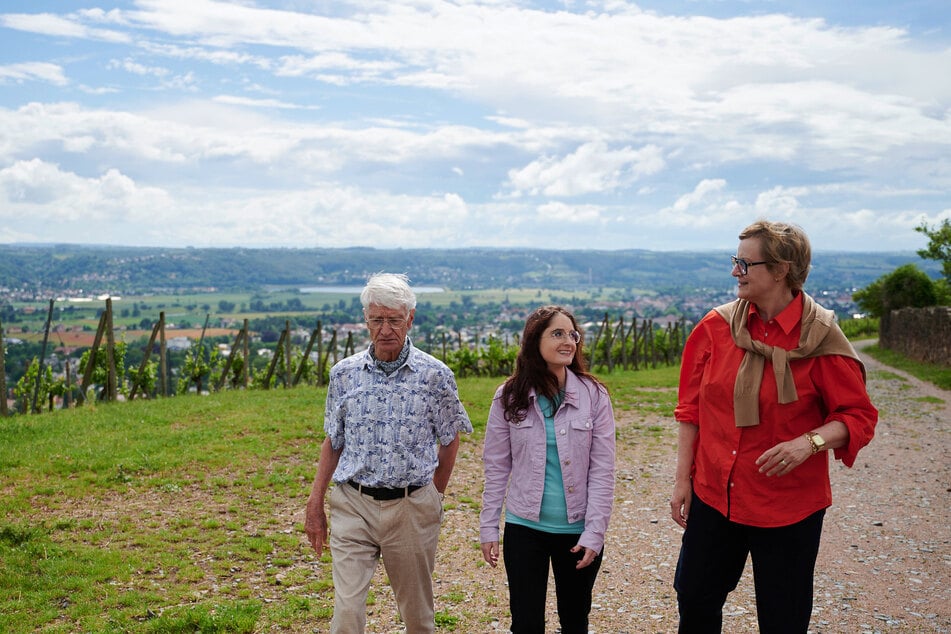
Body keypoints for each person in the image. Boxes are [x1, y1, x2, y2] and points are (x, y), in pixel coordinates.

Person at [669, 220, 878, 633]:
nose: (735, 272)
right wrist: (682, 481)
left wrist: (810, 442)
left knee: (783, 617)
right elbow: (690, 410)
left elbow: (858, 416)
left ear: (781, 269)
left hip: (788, 506)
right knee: (694, 599)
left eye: (745, 264)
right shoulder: (714, 327)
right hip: (715, 493)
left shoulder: (821, 338)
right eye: (735, 261)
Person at [304, 272, 473, 633]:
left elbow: (450, 438)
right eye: (377, 319)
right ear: (365, 319)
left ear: (409, 319)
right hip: (353, 504)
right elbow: (333, 441)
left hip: (411, 507)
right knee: (346, 614)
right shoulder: (344, 374)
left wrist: (433, 497)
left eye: (394, 320)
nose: (385, 329)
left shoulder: (435, 375)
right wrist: (315, 503)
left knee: (417, 617)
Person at [480, 305, 616, 634]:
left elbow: (603, 471)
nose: (568, 340)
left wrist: (594, 533)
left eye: (572, 334)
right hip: (524, 529)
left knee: (574, 621)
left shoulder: (594, 396)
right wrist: (488, 527)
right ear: (533, 341)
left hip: (578, 531)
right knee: (525, 624)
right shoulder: (508, 397)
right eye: (557, 333)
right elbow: (496, 467)